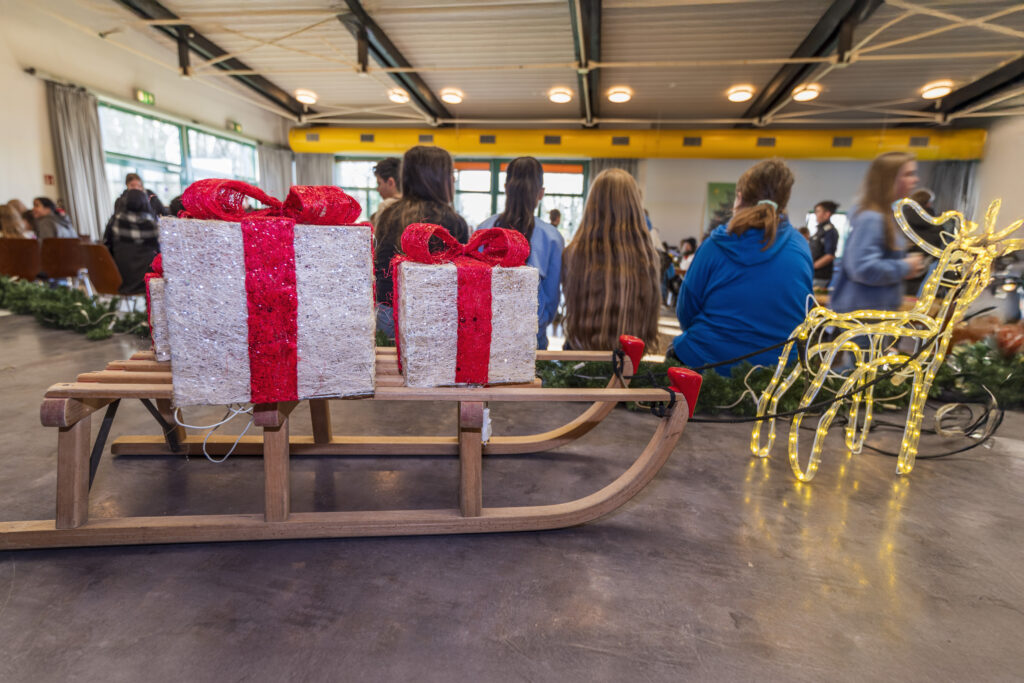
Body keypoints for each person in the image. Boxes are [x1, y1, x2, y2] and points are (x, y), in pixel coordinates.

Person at [672, 159, 812, 374]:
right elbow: (804, 313)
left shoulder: (715, 244)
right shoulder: (800, 246)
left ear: (739, 197)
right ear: (784, 201)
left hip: (707, 361)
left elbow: (686, 311)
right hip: (779, 371)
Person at [374, 145, 469, 337]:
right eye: (451, 174)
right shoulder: (453, 221)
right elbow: (462, 279)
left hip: (388, 311)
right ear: (440, 179)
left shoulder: (389, 214)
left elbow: (381, 266)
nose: (453, 179)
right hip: (435, 315)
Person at [562, 169, 661, 352]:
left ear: (592, 204)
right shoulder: (648, 256)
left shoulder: (573, 253)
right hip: (630, 355)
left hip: (580, 350)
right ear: (634, 205)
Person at [477, 157, 564, 349]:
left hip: (487, 338)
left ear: (506, 188)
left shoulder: (483, 230)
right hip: (532, 339)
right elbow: (551, 300)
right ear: (541, 193)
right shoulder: (552, 238)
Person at [830, 152, 926, 314]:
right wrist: (905, 267)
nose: (915, 180)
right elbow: (862, 268)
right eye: (909, 174)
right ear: (890, 179)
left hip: (872, 313)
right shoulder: (872, 218)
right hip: (864, 315)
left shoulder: (883, 216)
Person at [102, 188, 160, 295]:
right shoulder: (153, 225)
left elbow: (106, 246)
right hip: (146, 283)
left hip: (119, 280)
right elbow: (160, 251)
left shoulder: (115, 221)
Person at [809, 200, 840, 289]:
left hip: (820, 276)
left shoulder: (830, 231)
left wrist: (811, 266)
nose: (816, 214)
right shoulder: (820, 230)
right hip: (813, 274)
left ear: (827, 214)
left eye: (818, 211)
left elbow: (829, 256)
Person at [370, 157, 402, 225]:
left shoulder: (386, 206)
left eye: (379, 183)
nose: (377, 189)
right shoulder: (416, 206)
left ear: (390, 182)